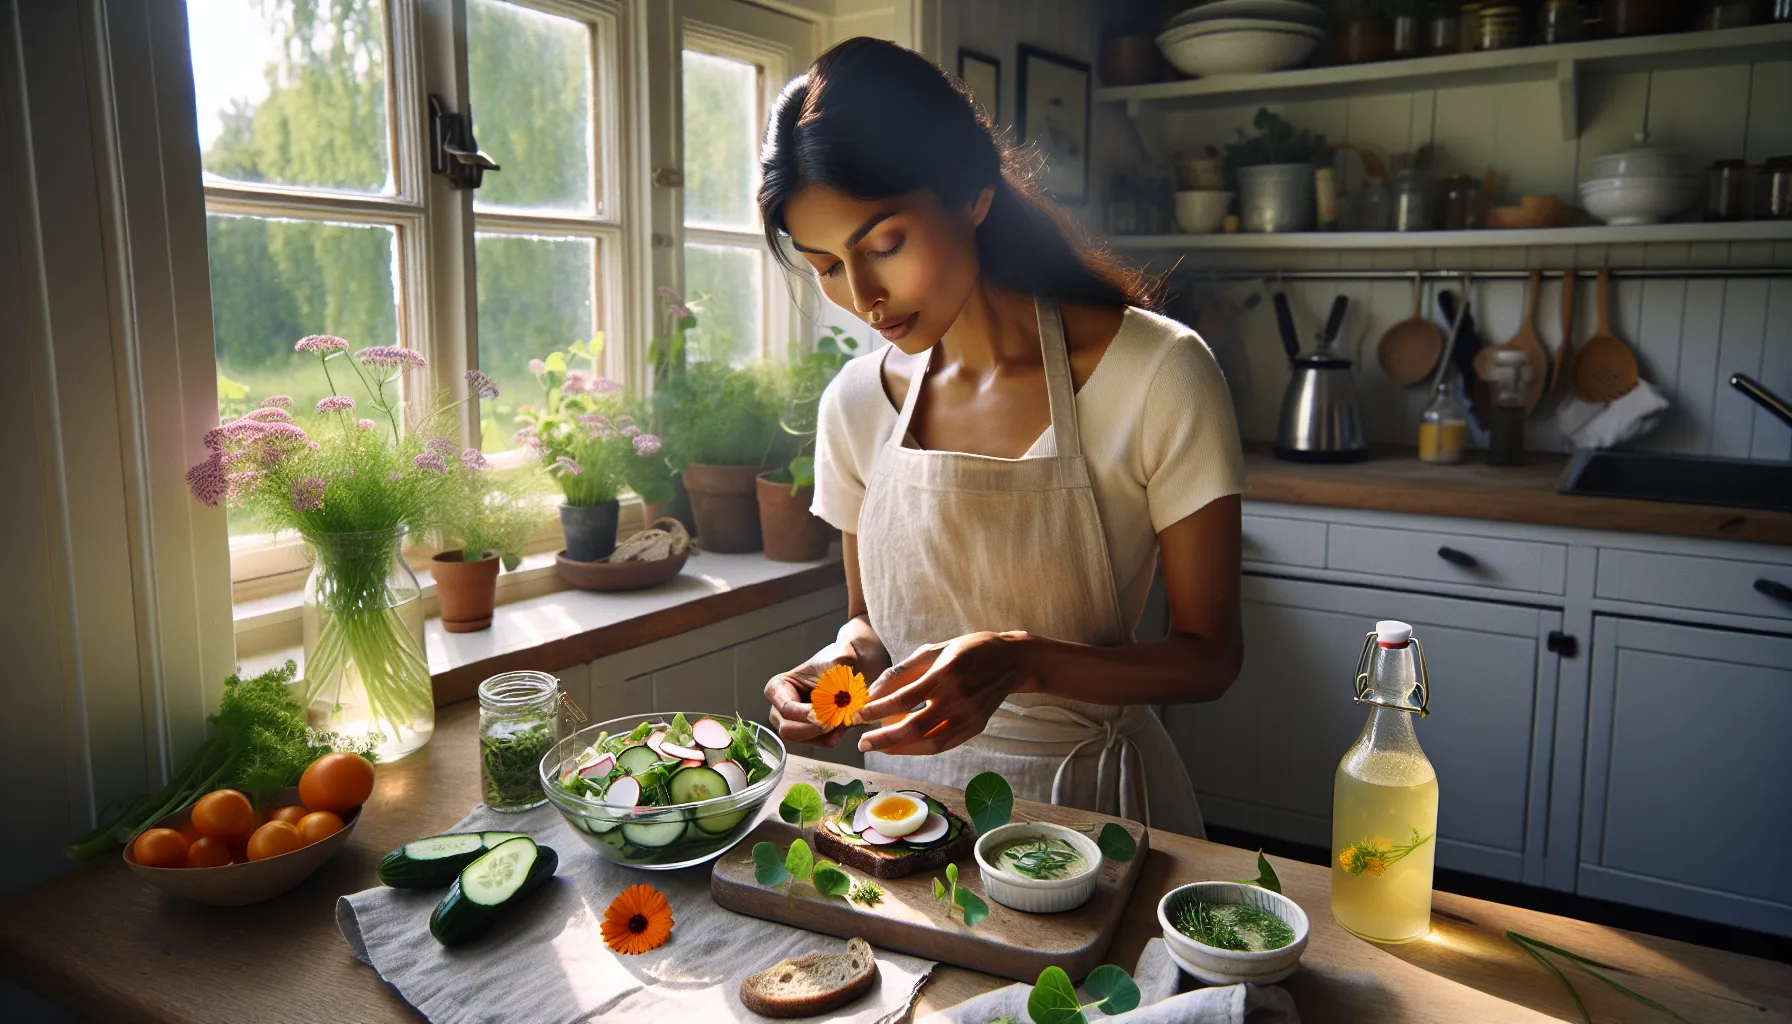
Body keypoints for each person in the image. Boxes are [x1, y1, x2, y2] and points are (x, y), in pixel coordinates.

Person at [757, 37, 1246, 837]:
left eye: (884, 245)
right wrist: (840, 662)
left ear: (973, 194)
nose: (866, 297)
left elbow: (1209, 656)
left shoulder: (1156, 373)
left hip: (1095, 816)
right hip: (905, 819)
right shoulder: (855, 404)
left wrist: (1022, 660)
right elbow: (872, 624)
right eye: (827, 266)